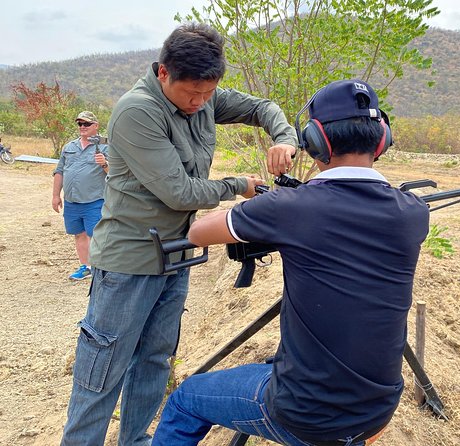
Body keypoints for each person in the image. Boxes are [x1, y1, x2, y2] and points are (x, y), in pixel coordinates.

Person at [152, 79, 431, 446]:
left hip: (304, 414)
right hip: (377, 409)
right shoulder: (414, 212)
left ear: (314, 141)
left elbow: (200, 232)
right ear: (381, 140)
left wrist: (255, 199)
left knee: (185, 400)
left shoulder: (291, 208)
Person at [60, 22, 298, 446]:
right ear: (164, 73)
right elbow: (179, 192)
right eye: (193, 94)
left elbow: (261, 107)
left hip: (175, 257)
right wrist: (237, 185)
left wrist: (284, 138)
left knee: (154, 362)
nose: (200, 103)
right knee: (102, 371)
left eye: (208, 94)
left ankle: (134, 440)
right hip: (129, 263)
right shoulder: (137, 111)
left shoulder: (202, 97)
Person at [52, 111, 109, 280]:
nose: (82, 127)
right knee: (79, 234)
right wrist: (56, 195)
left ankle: (100, 267)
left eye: (87, 124)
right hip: (72, 201)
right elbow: (59, 171)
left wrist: (105, 163)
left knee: (96, 234)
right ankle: (86, 267)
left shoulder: (106, 147)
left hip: (95, 199)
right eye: (80, 124)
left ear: (96, 126)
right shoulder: (69, 147)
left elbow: (116, 174)